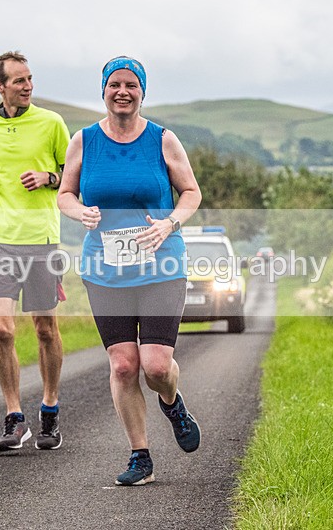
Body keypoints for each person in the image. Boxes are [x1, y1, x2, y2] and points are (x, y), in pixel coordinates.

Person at [57, 56, 203, 485]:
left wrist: (169, 223)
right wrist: (79, 211)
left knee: (156, 367)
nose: (122, 92)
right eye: (114, 84)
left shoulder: (163, 139)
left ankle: (172, 403)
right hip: (104, 268)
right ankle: (141, 455)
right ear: (103, 90)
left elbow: (191, 191)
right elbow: (64, 193)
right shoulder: (83, 140)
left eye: (131, 85)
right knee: (123, 366)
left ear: (142, 92)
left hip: (162, 264)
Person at [0, 51, 70, 452]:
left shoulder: (52, 123)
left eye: (30, 79)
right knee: (1, 329)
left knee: (45, 329)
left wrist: (49, 176)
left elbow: (75, 178)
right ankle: (15, 417)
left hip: (42, 240)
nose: (28, 86)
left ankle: (49, 409)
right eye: (19, 81)